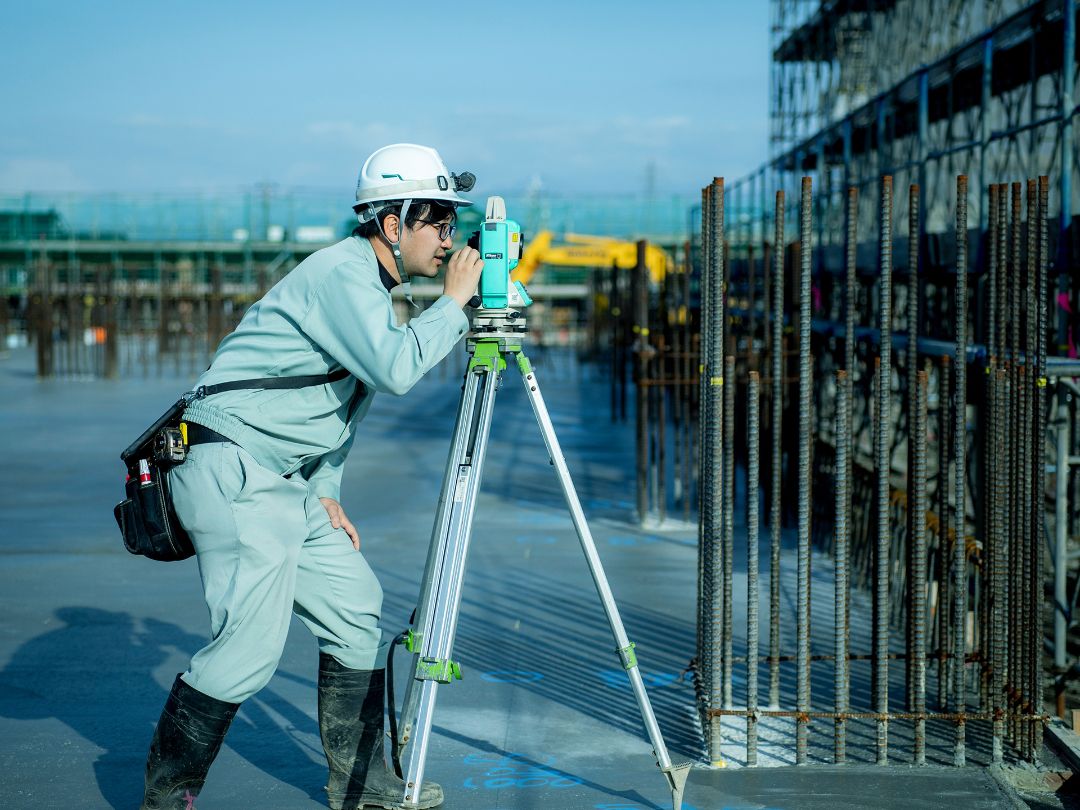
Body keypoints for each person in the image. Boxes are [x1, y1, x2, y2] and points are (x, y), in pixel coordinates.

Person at [139, 143, 484, 810]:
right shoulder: (340, 275)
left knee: (355, 607)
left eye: (452, 222)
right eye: (438, 220)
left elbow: (336, 406)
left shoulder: (376, 288)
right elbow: (396, 370)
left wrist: (326, 491)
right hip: (231, 464)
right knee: (248, 648)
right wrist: (457, 303)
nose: (450, 237)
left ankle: (363, 785)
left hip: (284, 480)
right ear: (392, 223)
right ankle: (166, 797)